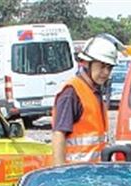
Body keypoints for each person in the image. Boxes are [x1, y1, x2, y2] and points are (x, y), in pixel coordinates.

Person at [50, 34, 125, 166]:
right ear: (86, 63)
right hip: (75, 176)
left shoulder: (94, 92)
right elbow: (59, 135)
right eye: (102, 66)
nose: (106, 72)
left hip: (93, 174)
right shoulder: (71, 93)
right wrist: (59, 175)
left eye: (109, 67)